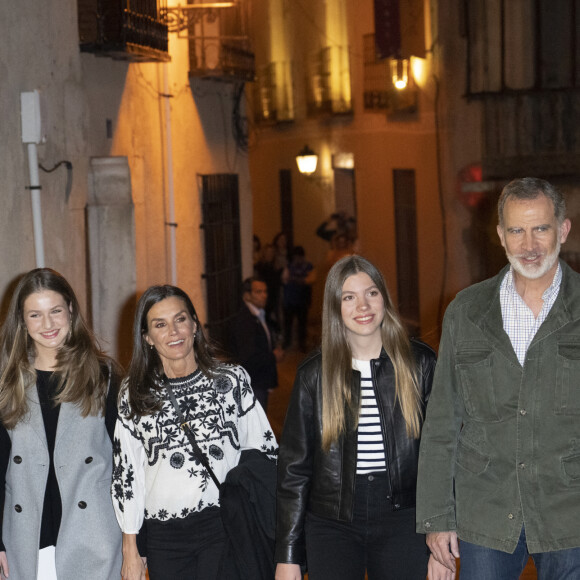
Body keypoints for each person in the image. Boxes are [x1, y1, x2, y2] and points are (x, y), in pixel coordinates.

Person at [416, 177, 580, 580]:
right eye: (516, 231)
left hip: (569, 509)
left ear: (563, 229)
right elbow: (441, 420)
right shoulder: (466, 311)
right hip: (485, 508)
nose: (529, 245)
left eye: (540, 228)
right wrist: (437, 516)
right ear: (500, 236)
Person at [275, 255, 443, 580]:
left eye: (372, 293)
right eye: (349, 297)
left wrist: (439, 535)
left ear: (384, 299)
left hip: (405, 517)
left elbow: (440, 455)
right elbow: (294, 470)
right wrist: (288, 556)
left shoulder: (420, 364)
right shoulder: (314, 374)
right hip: (331, 522)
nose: (362, 306)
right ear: (335, 307)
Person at [112, 284, 277, 580]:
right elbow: (128, 475)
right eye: (160, 325)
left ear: (195, 325)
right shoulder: (135, 394)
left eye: (180, 319)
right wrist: (131, 550)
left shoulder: (231, 381)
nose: (173, 332)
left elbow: (266, 453)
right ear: (147, 338)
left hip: (223, 526)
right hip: (165, 538)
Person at [0, 268, 122, 579]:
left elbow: (126, 466)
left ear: (70, 309)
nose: (48, 324)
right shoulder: (7, 383)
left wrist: (135, 542)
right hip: (25, 542)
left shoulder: (103, 377)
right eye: (35, 315)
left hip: (95, 539)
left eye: (55, 311)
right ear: (23, 322)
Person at [230, 277, 283, 411]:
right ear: (247, 295)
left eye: (265, 291)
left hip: (261, 379)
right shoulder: (245, 319)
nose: (264, 296)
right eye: (258, 292)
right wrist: (273, 356)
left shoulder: (259, 314)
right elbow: (247, 355)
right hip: (253, 382)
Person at [281, 246, 315, 351]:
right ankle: (287, 342)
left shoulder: (309, 266)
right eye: (295, 257)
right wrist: (299, 280)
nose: (297, 259)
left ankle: (302, 344)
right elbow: (284, 280)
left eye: (299, 257)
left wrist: (294, 279)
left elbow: (310, 280)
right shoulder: (288, 266)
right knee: (288, 323)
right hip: (289, 300)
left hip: (302, 300)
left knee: (302, 323)